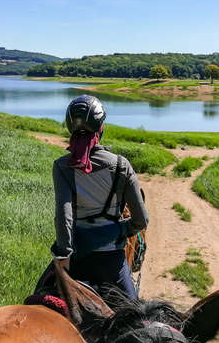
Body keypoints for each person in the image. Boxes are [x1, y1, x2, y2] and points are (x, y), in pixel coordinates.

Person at [50, 94, 148, 300]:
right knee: (137, 320)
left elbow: (64, 216)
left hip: (75, 259)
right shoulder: (122, 165)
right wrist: (118, 229)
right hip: (111, 261)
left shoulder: (62, 166)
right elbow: (142, 220)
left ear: (70, 127)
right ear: (101, 128)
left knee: (38, 297)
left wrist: (64, 257)